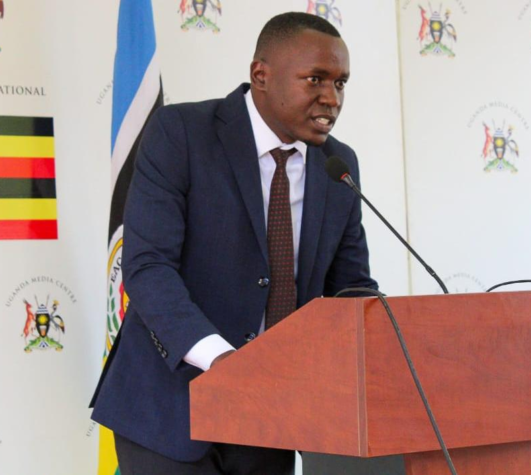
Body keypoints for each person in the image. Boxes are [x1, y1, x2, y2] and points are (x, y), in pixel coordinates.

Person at [90, 11, 378, 475]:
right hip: (167, 409)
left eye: (340, 83)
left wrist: (394, 346)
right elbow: (148, 266)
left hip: (270, 415)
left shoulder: (337, 164)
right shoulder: (180, 133)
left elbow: (350, 288)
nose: (332, 98)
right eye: (316, 80)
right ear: (260, 75)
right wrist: (223, 361)